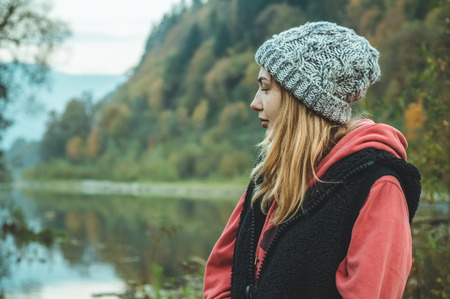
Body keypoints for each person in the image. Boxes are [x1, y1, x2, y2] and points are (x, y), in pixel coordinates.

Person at [203, 21, 421, 299]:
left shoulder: (377, 185)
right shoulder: (270, 175)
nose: (255, 102)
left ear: (302, 101)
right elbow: (223, 273)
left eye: (266, 88)